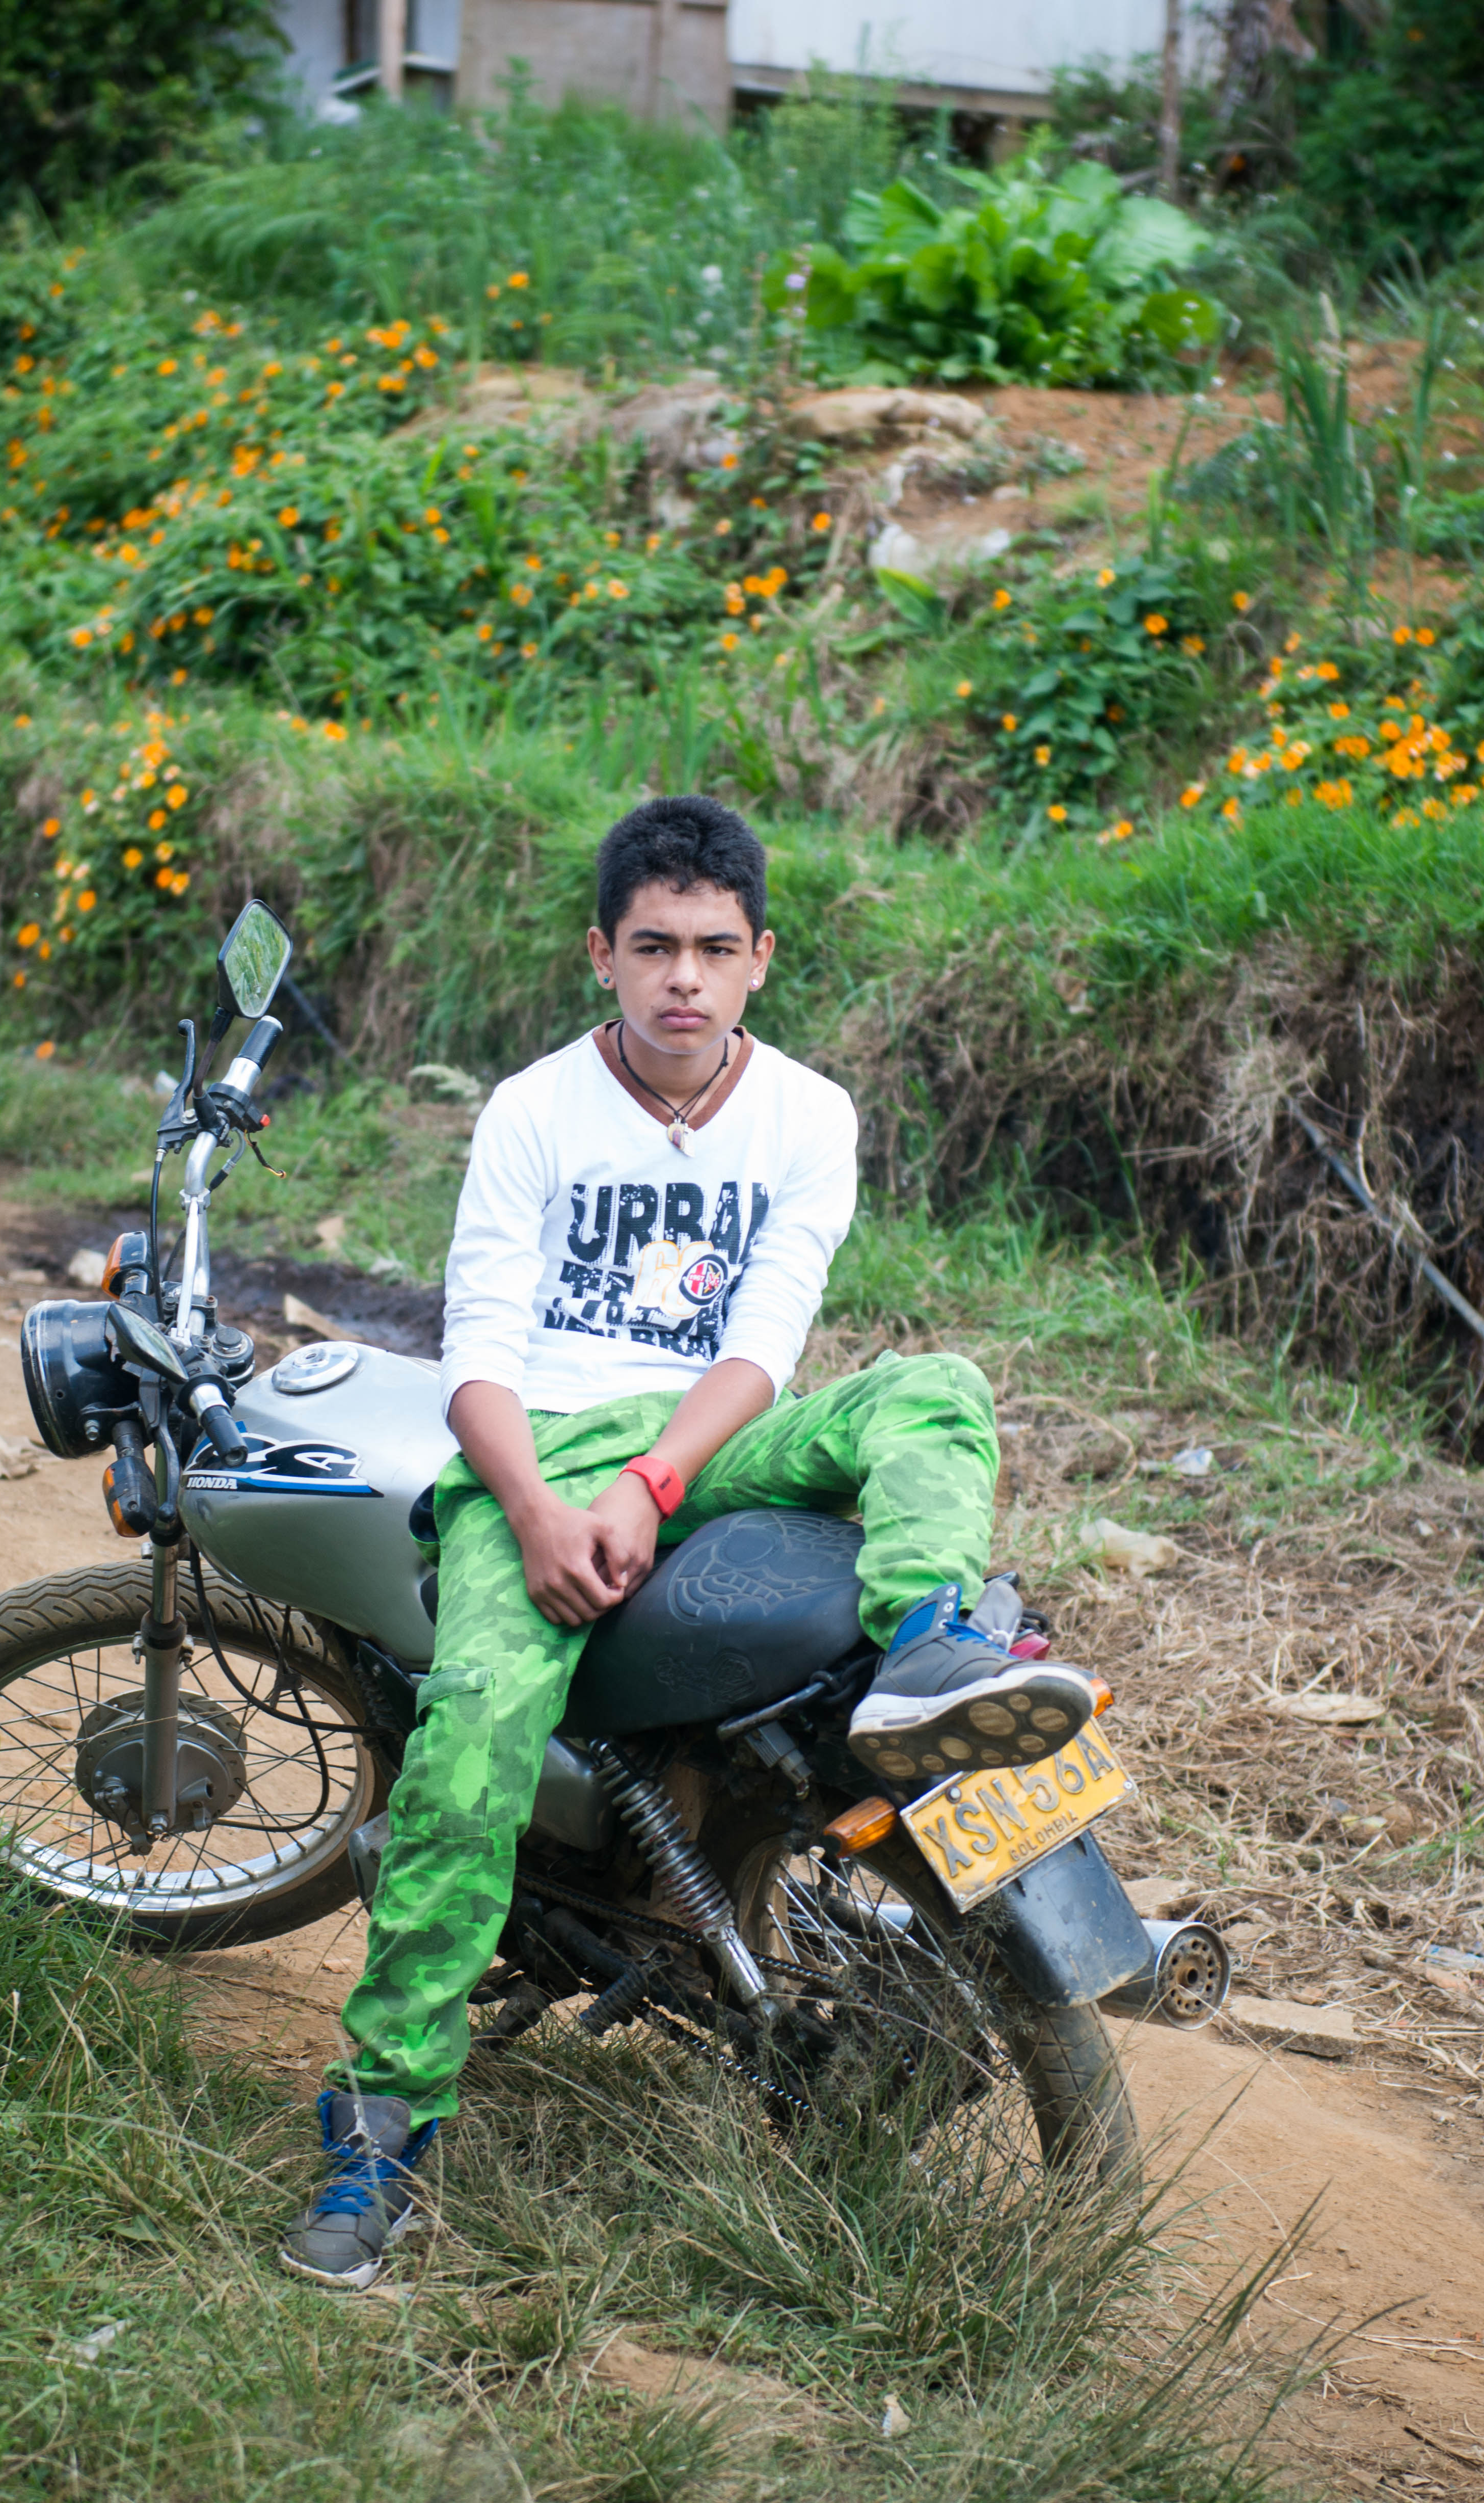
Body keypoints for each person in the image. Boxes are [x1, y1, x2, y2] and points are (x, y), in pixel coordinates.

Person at [278, 794, 1096, 2292]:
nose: (684, 981)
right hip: (536, 1451)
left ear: (760, 959)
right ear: (603, 954)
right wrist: (532, 1511)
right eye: (653, 946)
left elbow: (768, 1341)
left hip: (708, 1445)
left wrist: (652, 1487)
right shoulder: (533, 1109)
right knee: (467, 1751)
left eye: (715, 950)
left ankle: (929, 1651)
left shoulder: (806, 1115)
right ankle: (382, 2127)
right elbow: (477, 1350)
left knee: (936, 1390)